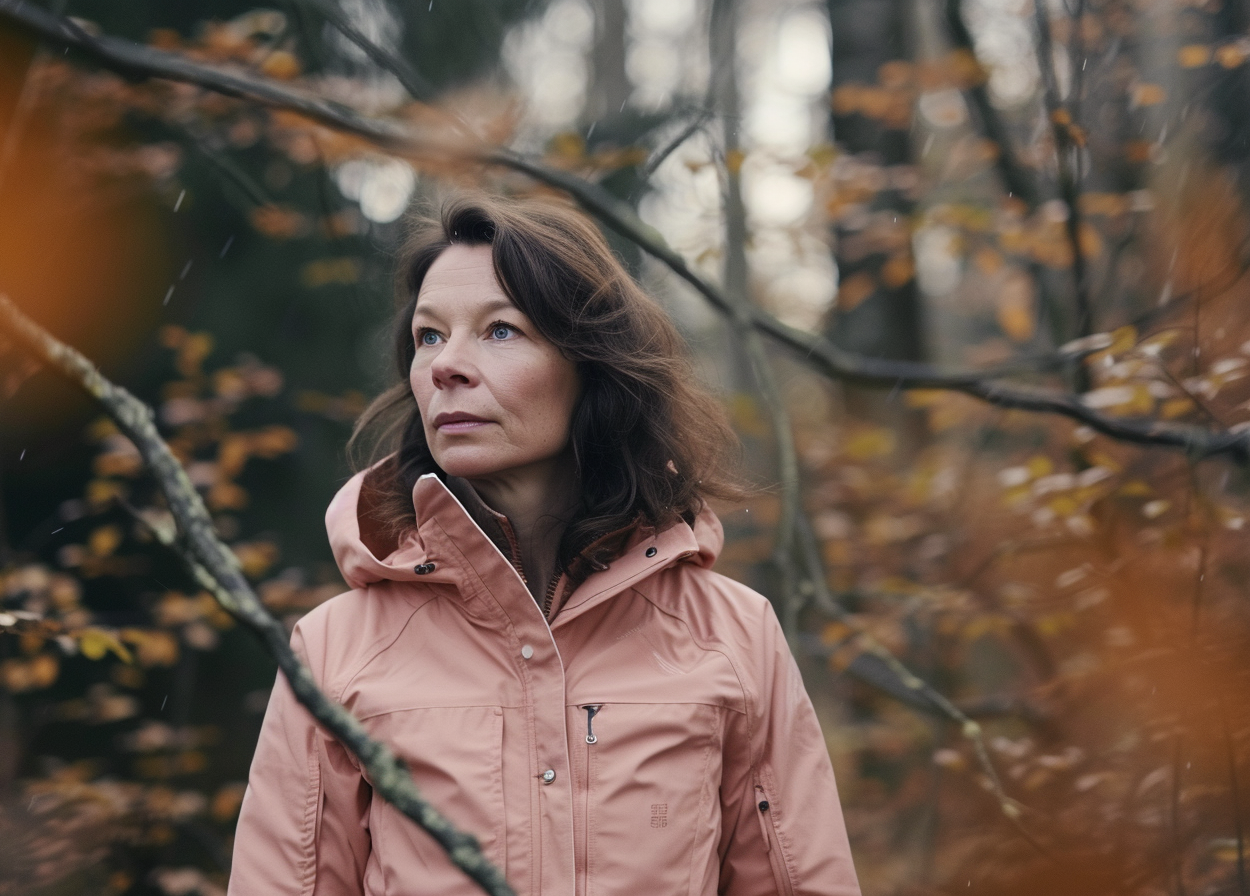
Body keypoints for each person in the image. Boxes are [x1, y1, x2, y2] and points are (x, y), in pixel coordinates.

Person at [229, 194, 861, 896]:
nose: (445, 367)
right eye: (429, 336)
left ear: (592, 365)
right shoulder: (334, 652)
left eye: (500, 331)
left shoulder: (733, 638)